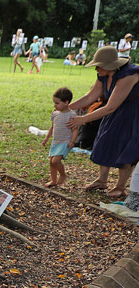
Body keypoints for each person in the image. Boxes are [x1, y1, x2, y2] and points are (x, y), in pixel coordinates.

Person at [68, 46, 139, 199]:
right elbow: (90, 96)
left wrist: (82, 119)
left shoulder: (128, 75)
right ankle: (102, 180)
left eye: (98, 66)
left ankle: (120, 187)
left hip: (133, 114)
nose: (96, 69)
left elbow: (110, 106)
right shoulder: (104, 75)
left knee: (126, 147)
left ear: (109, 66)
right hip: (114, 113)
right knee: (104, 140)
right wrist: (67, 109)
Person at [42, 87, 77, 188]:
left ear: (66, 102)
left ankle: (63, 174)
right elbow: (52, 127)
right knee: (51, 162)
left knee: (56, 161)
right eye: (54, 103)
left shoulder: (72, 115)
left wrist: (72, 141)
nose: (55, 105)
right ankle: (54, 181)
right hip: (55, 142)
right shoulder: (55, 114)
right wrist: (47, 138)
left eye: (57, 103)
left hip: (65, 142)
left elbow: (75, 130)